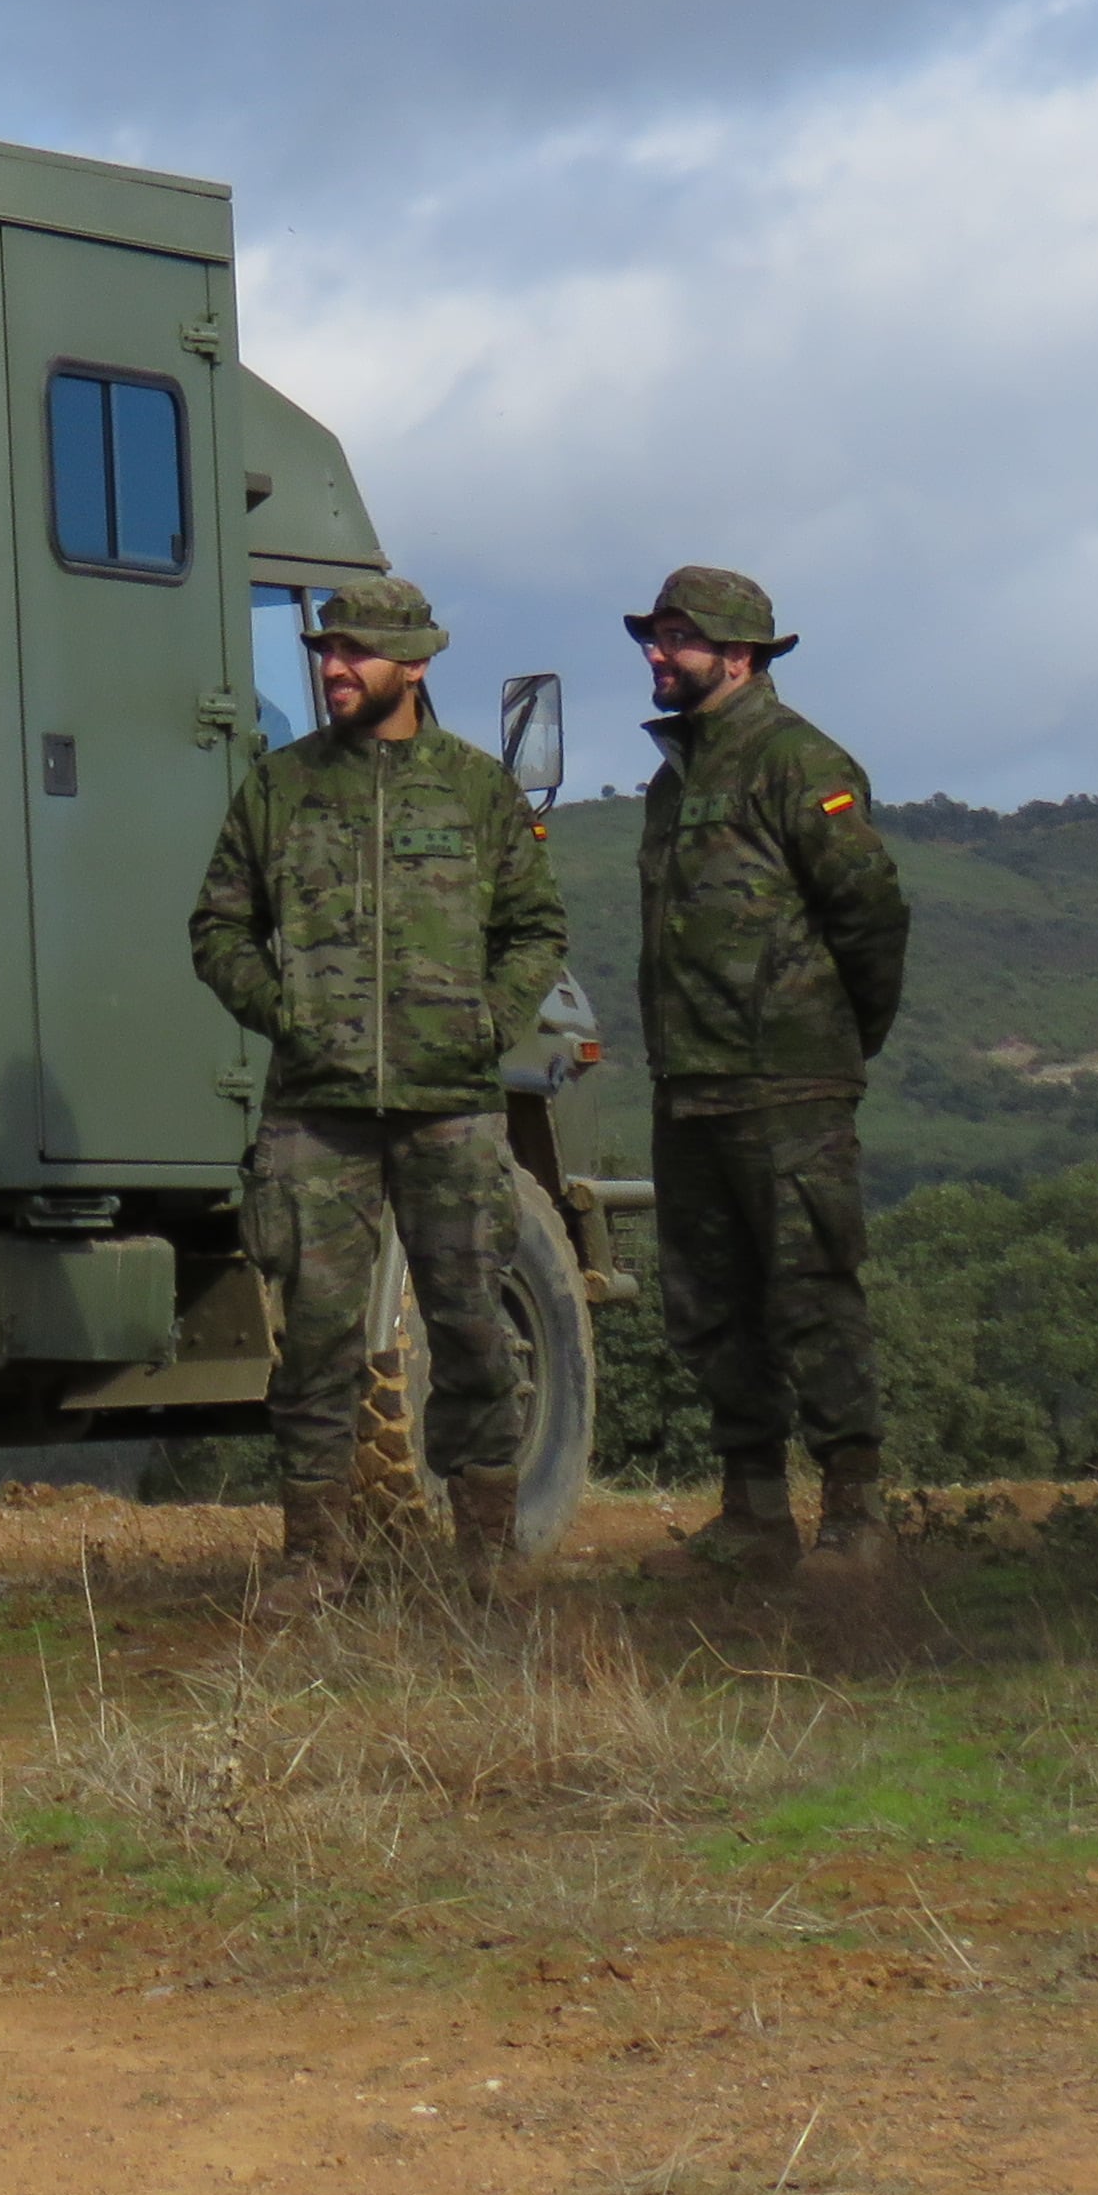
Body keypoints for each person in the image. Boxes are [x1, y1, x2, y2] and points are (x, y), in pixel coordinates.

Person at [187, 577, 568, 1609]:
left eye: (356, 652)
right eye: (326, 650)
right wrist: (288, 1011)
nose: (333, 667)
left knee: (472, 1330)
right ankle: (315, 1557)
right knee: (314, 1336)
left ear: (416, 663)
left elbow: (537, 931)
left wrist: (488, 1021)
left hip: (453, 1107)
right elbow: (216, 928)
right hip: (318, 1111)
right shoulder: (279, 789)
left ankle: (484, 1556)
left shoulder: (476, 792)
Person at [626, 564, 913, 1575]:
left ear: (737, 655)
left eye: (675, 639)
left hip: (788, 1083)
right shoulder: (676, 780)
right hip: (691, 1079)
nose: (656, 656)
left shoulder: (798, 762)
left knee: (810, 1294)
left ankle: (854, 1517)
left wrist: (839, 1037)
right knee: (708, 1306)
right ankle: (752, 1516)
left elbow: (869, 910)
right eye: (653, 639)